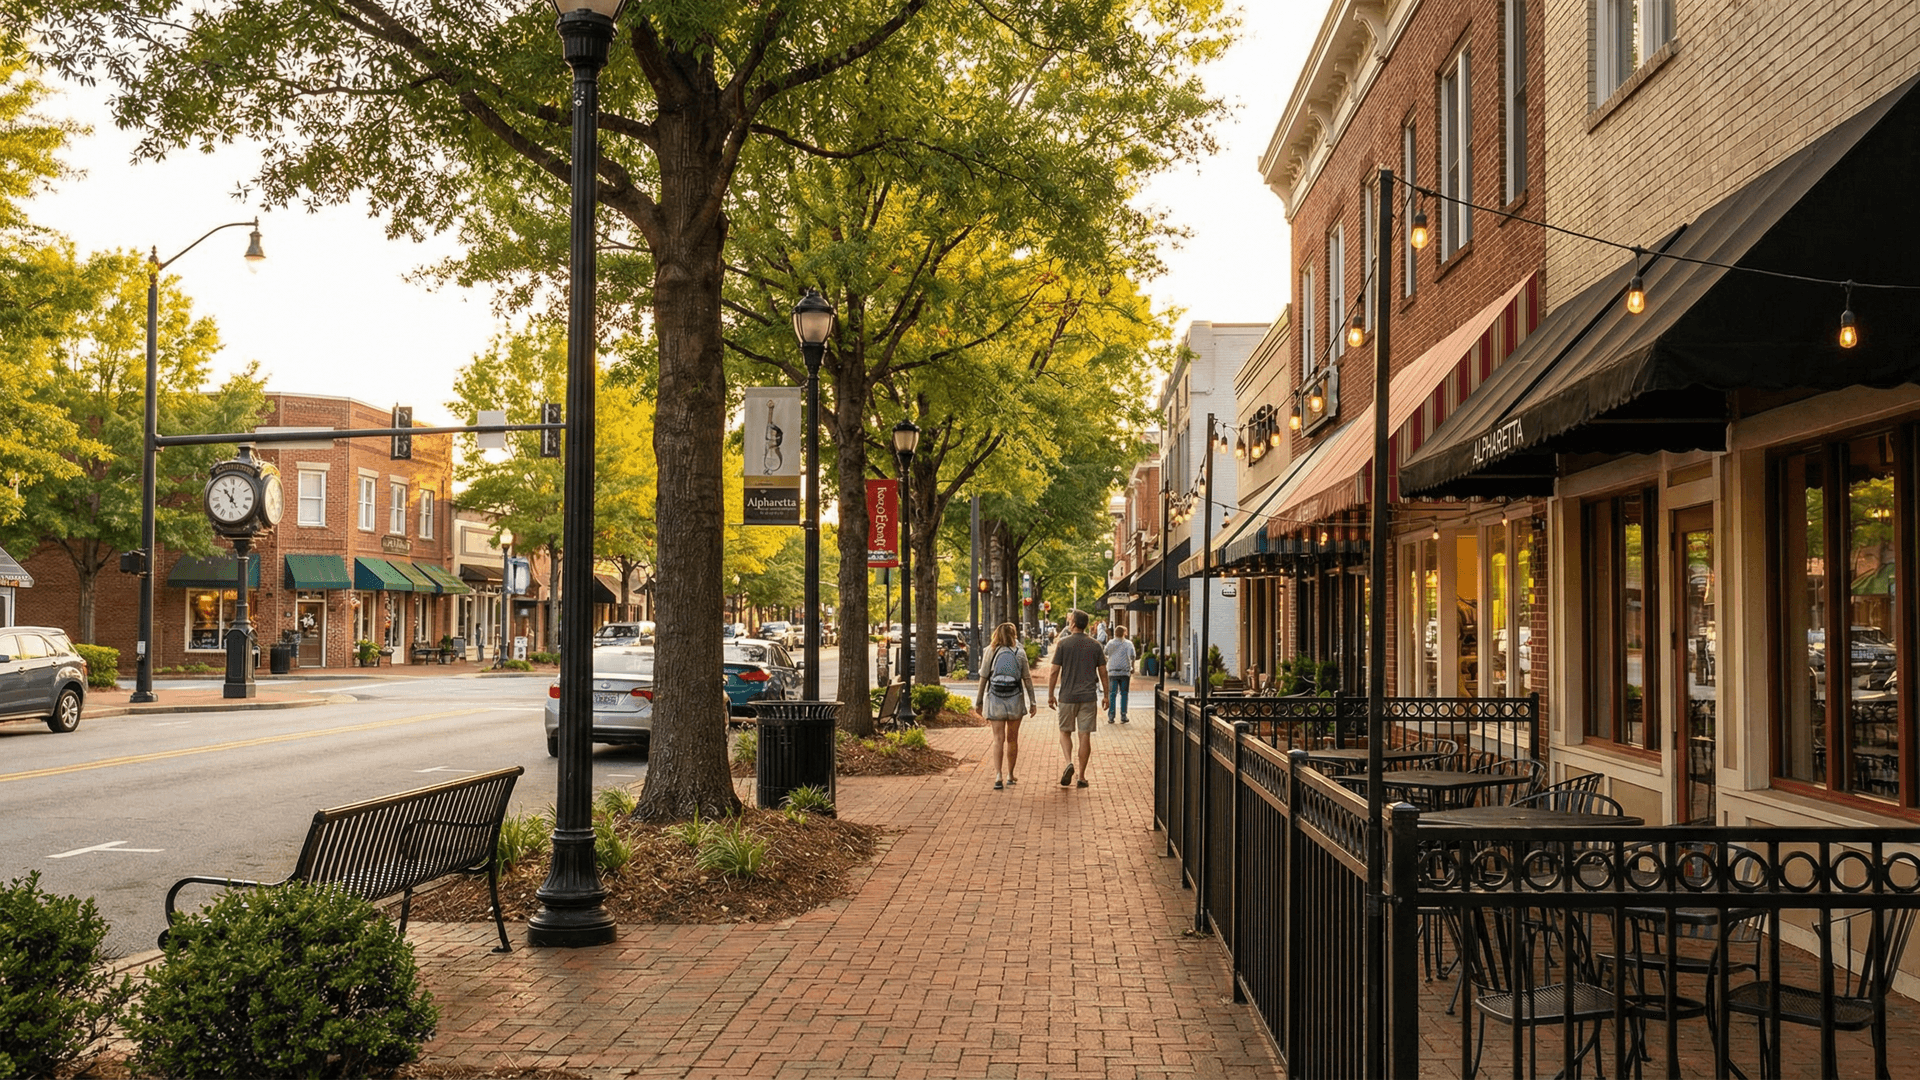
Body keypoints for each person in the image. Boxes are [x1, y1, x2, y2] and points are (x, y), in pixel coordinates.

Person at [1046, 609, 1107, 788]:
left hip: (1067, 696)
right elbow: (1103, 672)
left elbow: (1054, 671)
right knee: (1084, 735)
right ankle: (1081, 776)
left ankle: (1068, 762)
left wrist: (1050, 695)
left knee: (1065, 731)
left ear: (1073, 624)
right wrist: (1107, 695)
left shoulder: (1063, 644)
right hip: (1088, 697)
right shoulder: (1095, 645)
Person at [974, 623, 1035, 789]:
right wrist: (1033, 702)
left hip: (995, 699)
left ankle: (998, 775)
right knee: (1012, 739)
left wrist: (979, 701)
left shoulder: (990, 651)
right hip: (1015, 699)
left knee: (998, 739)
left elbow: (983, 677)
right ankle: (1010, 774)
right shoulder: (1020, 652)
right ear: (1014, 634)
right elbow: (1027, 679)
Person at [1103, 625, 1136, 723]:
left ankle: (1111, 716)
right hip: (1125, 672)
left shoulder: (1110, 643)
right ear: (1124, 633)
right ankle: (1123, 715)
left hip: (1112, 671)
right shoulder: (1128, 644)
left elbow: (1105, 652)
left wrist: (1109, 661)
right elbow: (1133, 656)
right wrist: (1132, 666)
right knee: (1124, 694)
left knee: (1112, 694)